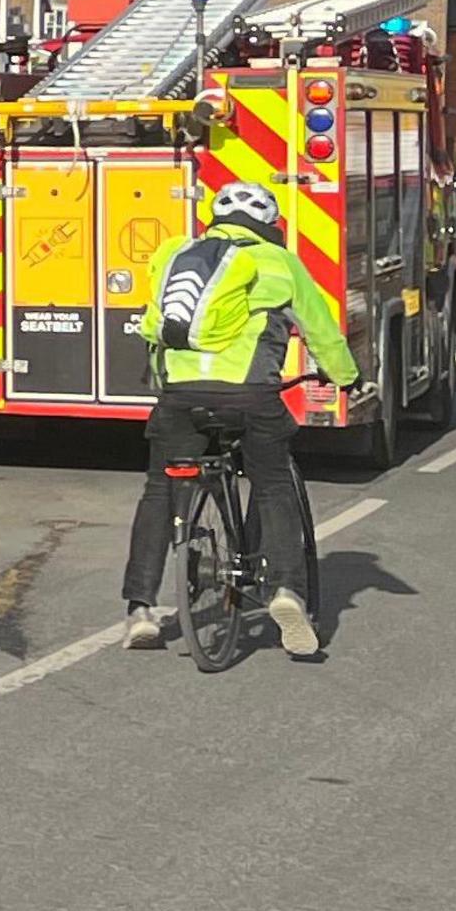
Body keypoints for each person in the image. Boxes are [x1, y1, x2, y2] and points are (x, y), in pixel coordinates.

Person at [119, 180, 350, 659]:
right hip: (251, 397)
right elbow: (320, 329)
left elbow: (152, 325)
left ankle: (140, 611)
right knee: (271, 485)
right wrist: (345, 376)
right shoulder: (279, 262)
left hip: (180, 397)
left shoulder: (177, 253)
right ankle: (287, 592)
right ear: (271, 224)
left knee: (161, 491)